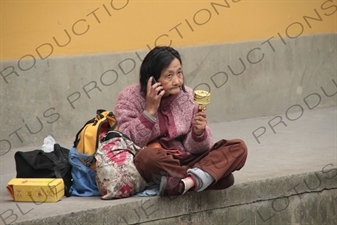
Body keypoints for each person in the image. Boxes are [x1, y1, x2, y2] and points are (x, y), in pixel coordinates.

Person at [114, 46, 248, 197]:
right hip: (160, 161)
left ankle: (183, 183)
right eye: (169, 75)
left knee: (238, 147)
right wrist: (150, 112)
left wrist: (198, 133)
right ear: (152, 79)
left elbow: (199, 148)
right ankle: (206, 176)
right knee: (146, 158)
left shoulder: (188, 96)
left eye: (179, 73)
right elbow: (127, 140)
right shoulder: (129, 97)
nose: (177, 81)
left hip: (188, 159)